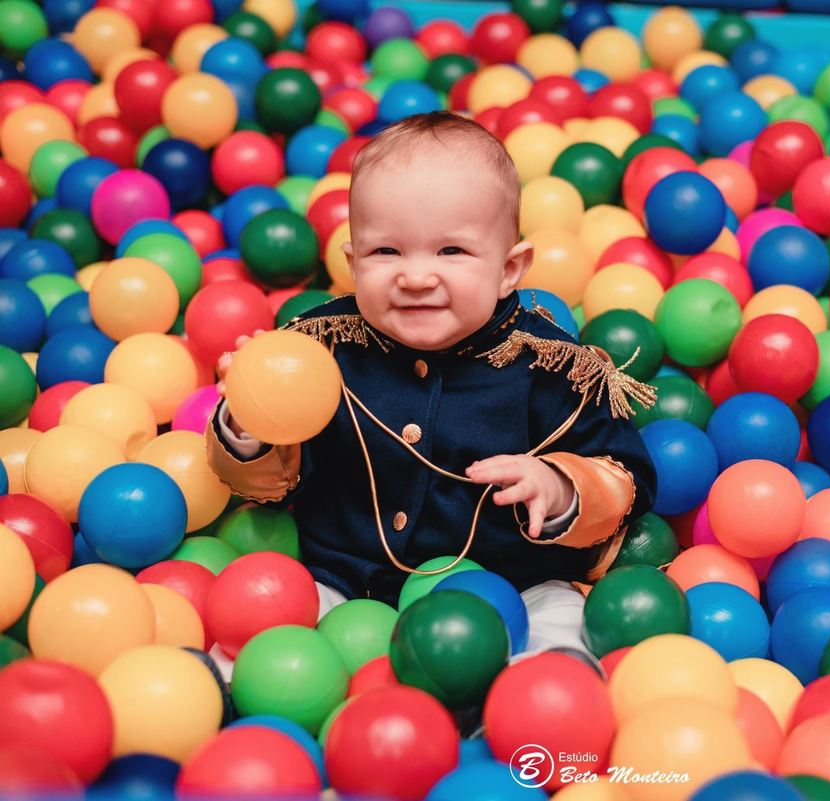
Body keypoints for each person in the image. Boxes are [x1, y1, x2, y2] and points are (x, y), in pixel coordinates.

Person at [205, 111, 658, 669]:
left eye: (452, 252)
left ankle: (543, 698)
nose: (416, 277)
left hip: (510, 586)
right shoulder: (319, 348)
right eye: (386, 252)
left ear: (509, 269)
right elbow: (271, 482)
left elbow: (626, 472)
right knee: (264, 629)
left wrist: (561, 488)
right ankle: (221, 688)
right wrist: (250, 422)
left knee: (559, 619)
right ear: (352, 263)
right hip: (345, 581)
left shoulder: (550, 364)